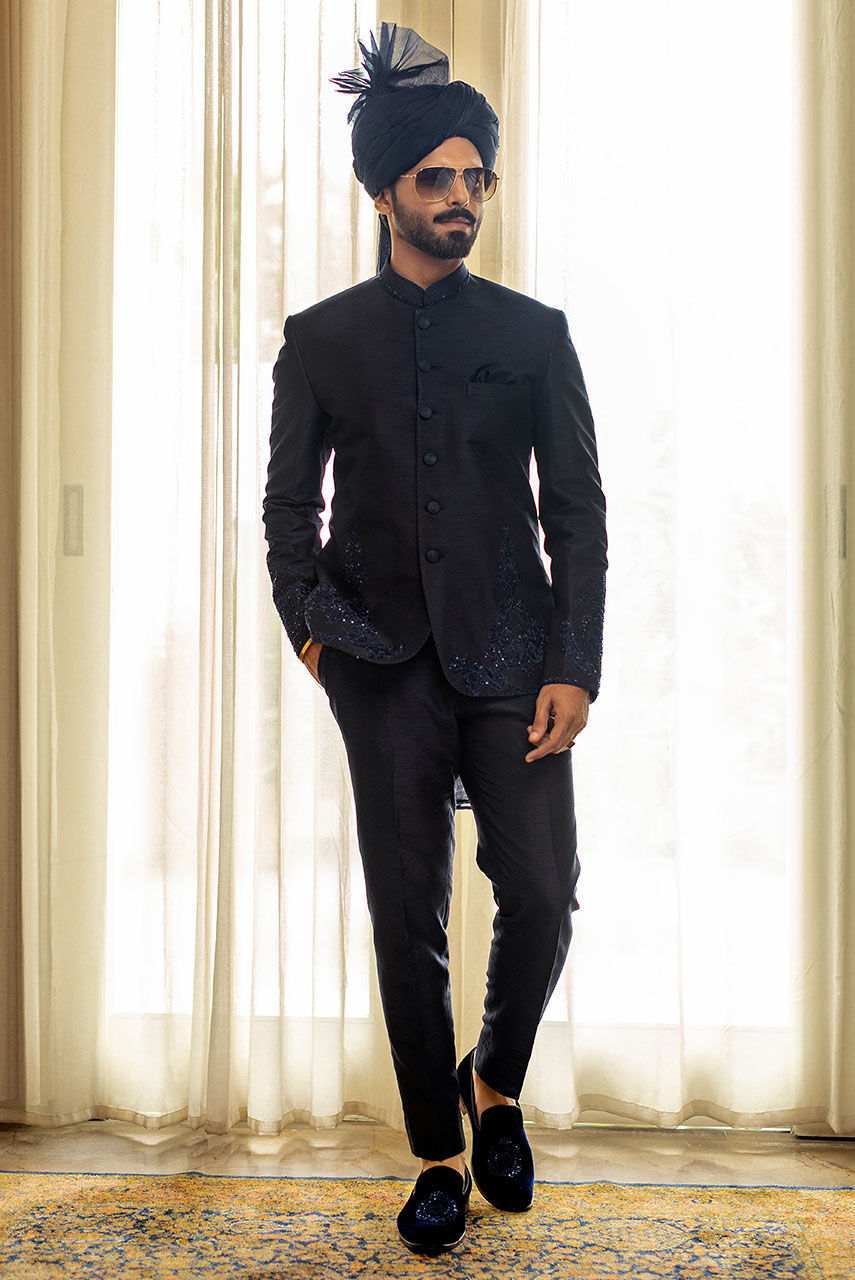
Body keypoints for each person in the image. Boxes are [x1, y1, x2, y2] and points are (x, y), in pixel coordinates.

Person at [262, 23, 607, 1254]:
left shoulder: (534, 334)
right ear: (384, 192)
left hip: (516, 657)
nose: (462, 197)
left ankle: (495, 1080)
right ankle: (439, 1154)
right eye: (437, 178)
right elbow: (286, 511)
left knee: (544, 892)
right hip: (378, 659)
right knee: (406, 912)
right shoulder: (320, 338)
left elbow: (577, 511)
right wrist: (316, 638)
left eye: (476, 178)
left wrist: (574, 665)